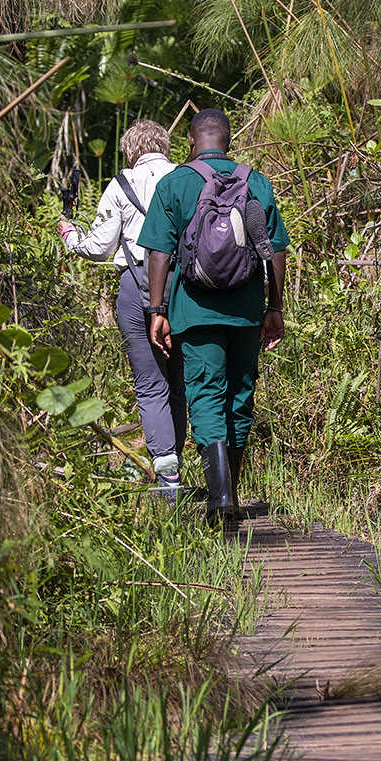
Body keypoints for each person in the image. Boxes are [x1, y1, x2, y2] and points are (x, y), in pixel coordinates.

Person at [139, 109, 287, 523]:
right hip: (245, 310)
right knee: (240, 396)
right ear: (228, 140)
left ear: (190, 141)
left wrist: (156, 310)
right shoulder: (256, 181)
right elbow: (274, 250)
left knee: (205, 393)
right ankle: (231, 493)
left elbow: (159, 254)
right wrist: (274, 307)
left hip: (195, 311)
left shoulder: (175, 184)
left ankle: (220, 499)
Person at [58, 119, 185, 498]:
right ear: (164, 144)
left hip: (136, 285)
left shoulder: (121, 184)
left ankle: (168, 478)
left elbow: (99, 247)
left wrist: (70, 236)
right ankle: (177, 457)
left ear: (130, 150)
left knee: (151, 383)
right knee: (178, 382)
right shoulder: (186, 178)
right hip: (182, 287)